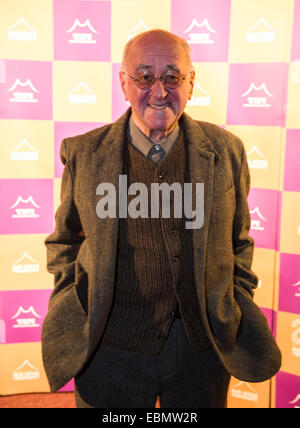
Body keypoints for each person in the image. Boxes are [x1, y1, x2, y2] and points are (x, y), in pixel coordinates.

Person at [42, 29, 281, 408]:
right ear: (124, 83)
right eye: (144, 76)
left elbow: (239, 240)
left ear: (191, 82)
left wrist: (232, 299)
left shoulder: (226, 150)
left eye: (172, 76)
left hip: (201, 350)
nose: (159, 90)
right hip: (109, 349)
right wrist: (75, 301)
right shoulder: (84, 154)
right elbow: (65, 241)